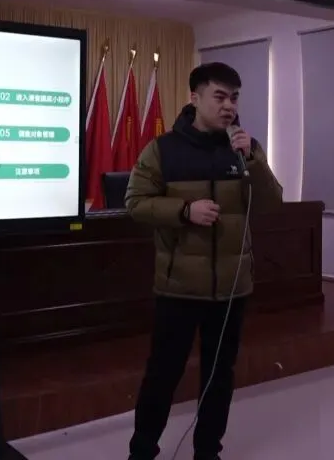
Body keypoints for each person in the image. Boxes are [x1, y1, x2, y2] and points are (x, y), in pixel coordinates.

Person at [125, 62, 283, 460]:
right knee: (163, 373)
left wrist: (252, 161)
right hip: (179, 286)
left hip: (231, 287)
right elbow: (135, 203)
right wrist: (184, 211)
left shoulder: (246, 149)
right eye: (220, 97)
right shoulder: (163, 150)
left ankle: (207, 451)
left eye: (234, 98)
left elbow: (271, 203)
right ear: (194, 98)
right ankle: (142, 449)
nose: (229, 106)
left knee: (219, 376)